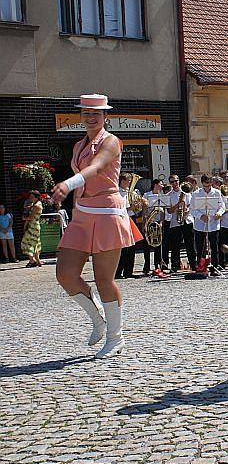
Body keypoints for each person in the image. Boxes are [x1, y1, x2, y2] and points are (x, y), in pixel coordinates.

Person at [52, 93, 142, 358]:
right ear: (82, 116)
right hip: (82, 215)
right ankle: (97, 319)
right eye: (86, 113)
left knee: (104, 279)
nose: (90, 118)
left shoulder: (111, 142)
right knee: (65, 274)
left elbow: (95, 168)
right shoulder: (79, 145)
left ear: (105, 116)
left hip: (106, 215)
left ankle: (116, 337)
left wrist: (67, 185)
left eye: (96, 114)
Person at [191, 174, 225, 276]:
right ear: (202, 184)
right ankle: (200, 267)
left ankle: (215, 266)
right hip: (200, 224)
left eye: (209, 185)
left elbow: (221, 205)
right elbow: (192, 209)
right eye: (206, 186)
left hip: (213, 222)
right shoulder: (196, 194)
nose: (208, 188)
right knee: (200, 247)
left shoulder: (217, 193)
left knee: (214, 246)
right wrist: (200, 216)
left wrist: (219, 213)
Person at [166, 174, 197, 272]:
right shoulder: (168, 195)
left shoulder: (187, 192)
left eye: (176, 181)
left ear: (179, 181)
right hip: (176, 221)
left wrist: (187, 210)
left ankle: (193, 264)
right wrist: (177, 205)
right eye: (172, 182)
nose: (175, 183)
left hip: (187, 220)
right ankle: (175, 265)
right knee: (175, 245)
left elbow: (192, 205)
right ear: (170, 183)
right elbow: (169, 211)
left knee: (190, 244)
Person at [142, 178, 168, 276]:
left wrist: (161, 222)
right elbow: (144, 211)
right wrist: (145, 224)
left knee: (158, 244)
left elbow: (164, 211)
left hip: (157, 222)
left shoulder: (163, 196)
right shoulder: (147, 195)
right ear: (156, 184)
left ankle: (157, 265)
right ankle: (146, 266)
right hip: (149, 221)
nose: (163, 186)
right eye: (161, 184)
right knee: (147, 245)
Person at [114, 173, 138, 279]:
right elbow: (118, 209)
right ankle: (118, 272)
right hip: (121, 220)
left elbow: (135, 208)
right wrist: (130, 208)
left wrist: (138, 205)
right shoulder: (117, 193)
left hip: (130, 219)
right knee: (123, 248)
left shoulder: (130, 193)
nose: (130, 183)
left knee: (132, 247)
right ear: (122, 181)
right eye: (129, 180)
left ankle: (129, 272)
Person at [21, 191, 43, 267]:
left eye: (32, 197)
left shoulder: (37, 205)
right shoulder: (35, 204)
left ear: (36, 197)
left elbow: (31, 217)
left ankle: (32, 261)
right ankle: (37, 261)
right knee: (35, 243)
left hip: (34, 226)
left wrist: (24, 218)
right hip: (33, 226)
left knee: (27, 243)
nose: (30, 198)